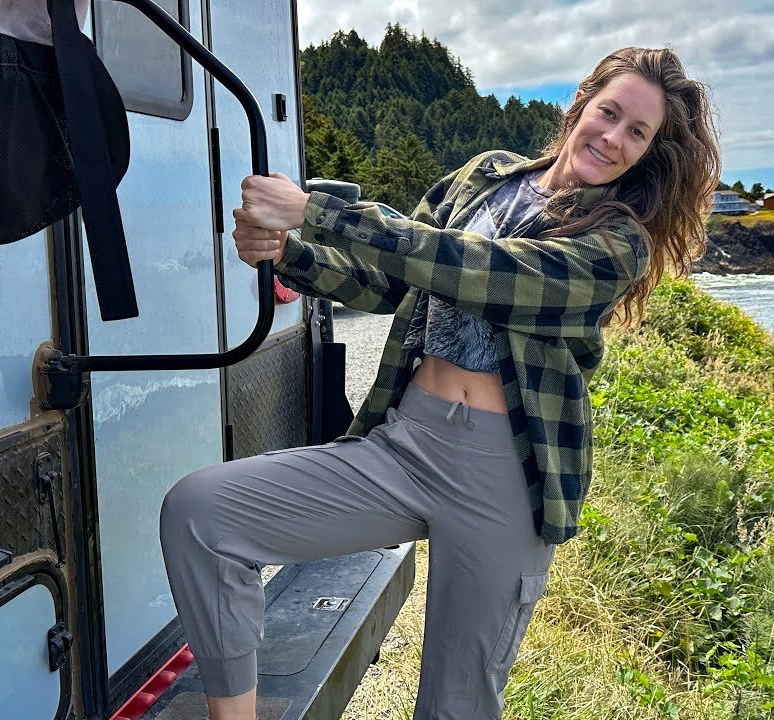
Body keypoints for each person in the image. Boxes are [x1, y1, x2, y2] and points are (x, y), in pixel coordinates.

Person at [158, 46, 721, 720]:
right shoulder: (485, 178)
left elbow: (481, 270)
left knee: (455, 707)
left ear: (650, 151)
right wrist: (291, 253)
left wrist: (317, 212)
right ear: (581, 103)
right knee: (201, 514)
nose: (614, 137)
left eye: (638, 132)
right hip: (406, 442)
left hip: (503, 477)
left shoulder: (616, 243)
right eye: (610, 113)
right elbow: (392, 281)